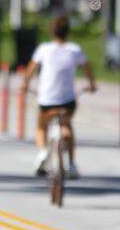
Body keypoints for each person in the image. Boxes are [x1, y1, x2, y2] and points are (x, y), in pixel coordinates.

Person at [22, 15, 96, 179]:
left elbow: (31, 69)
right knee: (67, 126)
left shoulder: (44, 49)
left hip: (46, 100)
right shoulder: (75, 49)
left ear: (52, 32)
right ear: (68, 32)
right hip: (67, 101)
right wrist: (91, 85)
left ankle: (42, 153)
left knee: (41, 126)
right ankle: (71, 164)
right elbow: (87, 68)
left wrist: (25, 84)